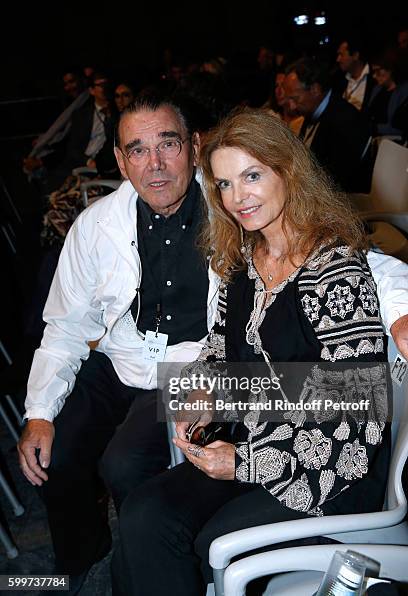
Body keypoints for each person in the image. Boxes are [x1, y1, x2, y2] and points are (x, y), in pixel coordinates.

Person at [16, 96, 408, 594]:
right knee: (143, 511)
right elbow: (221, 351)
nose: (236, 196)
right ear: (121, 161)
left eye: (252, 177)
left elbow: (353, 411)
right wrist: (206, 392)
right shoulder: (244, 253)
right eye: (224, 183)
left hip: (328, 467)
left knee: (192, 532)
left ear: (288, 172)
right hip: (252, 433)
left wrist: (241, 460)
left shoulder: (332, 270)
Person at [284, 57, 372, 193]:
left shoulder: (346, 120)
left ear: (315, 89)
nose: (291, 106)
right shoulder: (313, 109)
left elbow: (335, 180)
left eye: (295, 98)